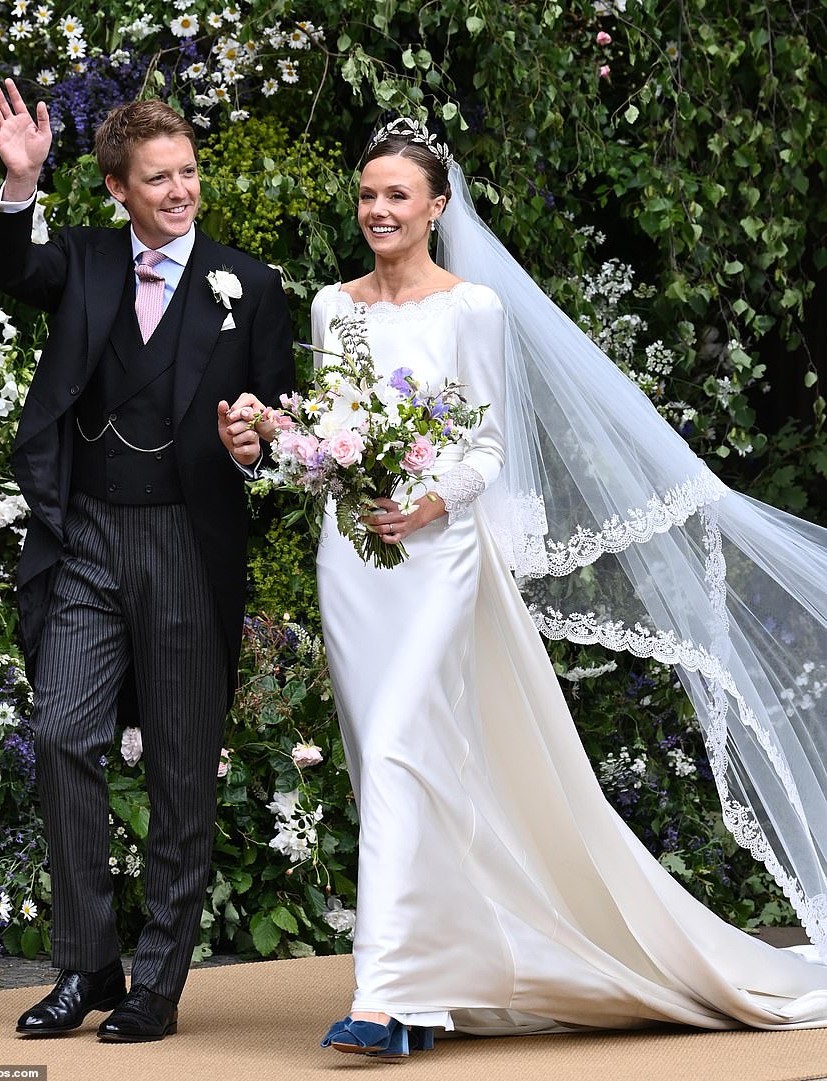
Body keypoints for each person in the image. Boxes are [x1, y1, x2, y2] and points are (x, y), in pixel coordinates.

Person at [244, 117, 827, 1059]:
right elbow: (332, 434)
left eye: (398, 194)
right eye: (368, 194)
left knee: (397, 748)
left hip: (437, 559)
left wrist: (429, 501)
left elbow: (487, 444)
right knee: (389, 764)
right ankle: (433, 986)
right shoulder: (330, 307)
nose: (379, 210)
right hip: (353, 561)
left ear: (437, 206)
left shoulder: (473, 308)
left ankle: (385, 997)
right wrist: (292, 442)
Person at [0, 78, 294, 1042]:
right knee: (63, 733)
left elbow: (281, 428)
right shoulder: (82, 262)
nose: (182, 190)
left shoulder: (252, 287)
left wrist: (257, 439)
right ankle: (86, 965)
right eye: (160, 179)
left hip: (189, 546)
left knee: (183, 769)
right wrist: (20, 184)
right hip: (87, 540)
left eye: (189, 172)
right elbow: (6, 269)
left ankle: (157, 981)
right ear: (118, 188)